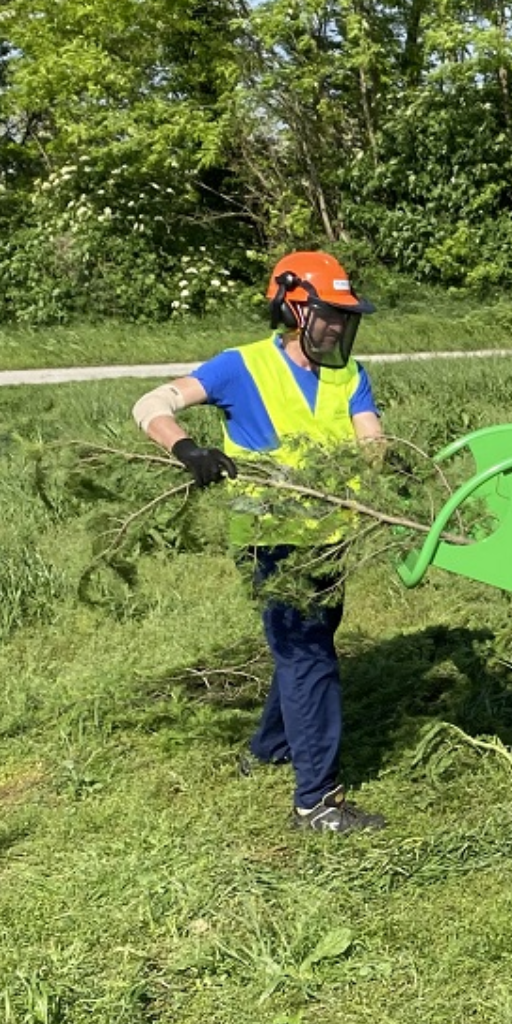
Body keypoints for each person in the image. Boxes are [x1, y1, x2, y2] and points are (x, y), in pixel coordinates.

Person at [131, 251, 387, 834]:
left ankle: (270, 746)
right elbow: (151, 404)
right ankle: (317, 801)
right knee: (309, 656)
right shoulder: (239, 367)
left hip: (333, 537)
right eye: (330, 315)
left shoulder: (349, 374)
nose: (340, 327)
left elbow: (370, 435)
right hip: (272, 541)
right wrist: (188, 450)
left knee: (310, 642)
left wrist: (385, 467)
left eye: (347, 318)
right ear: (293, 309)